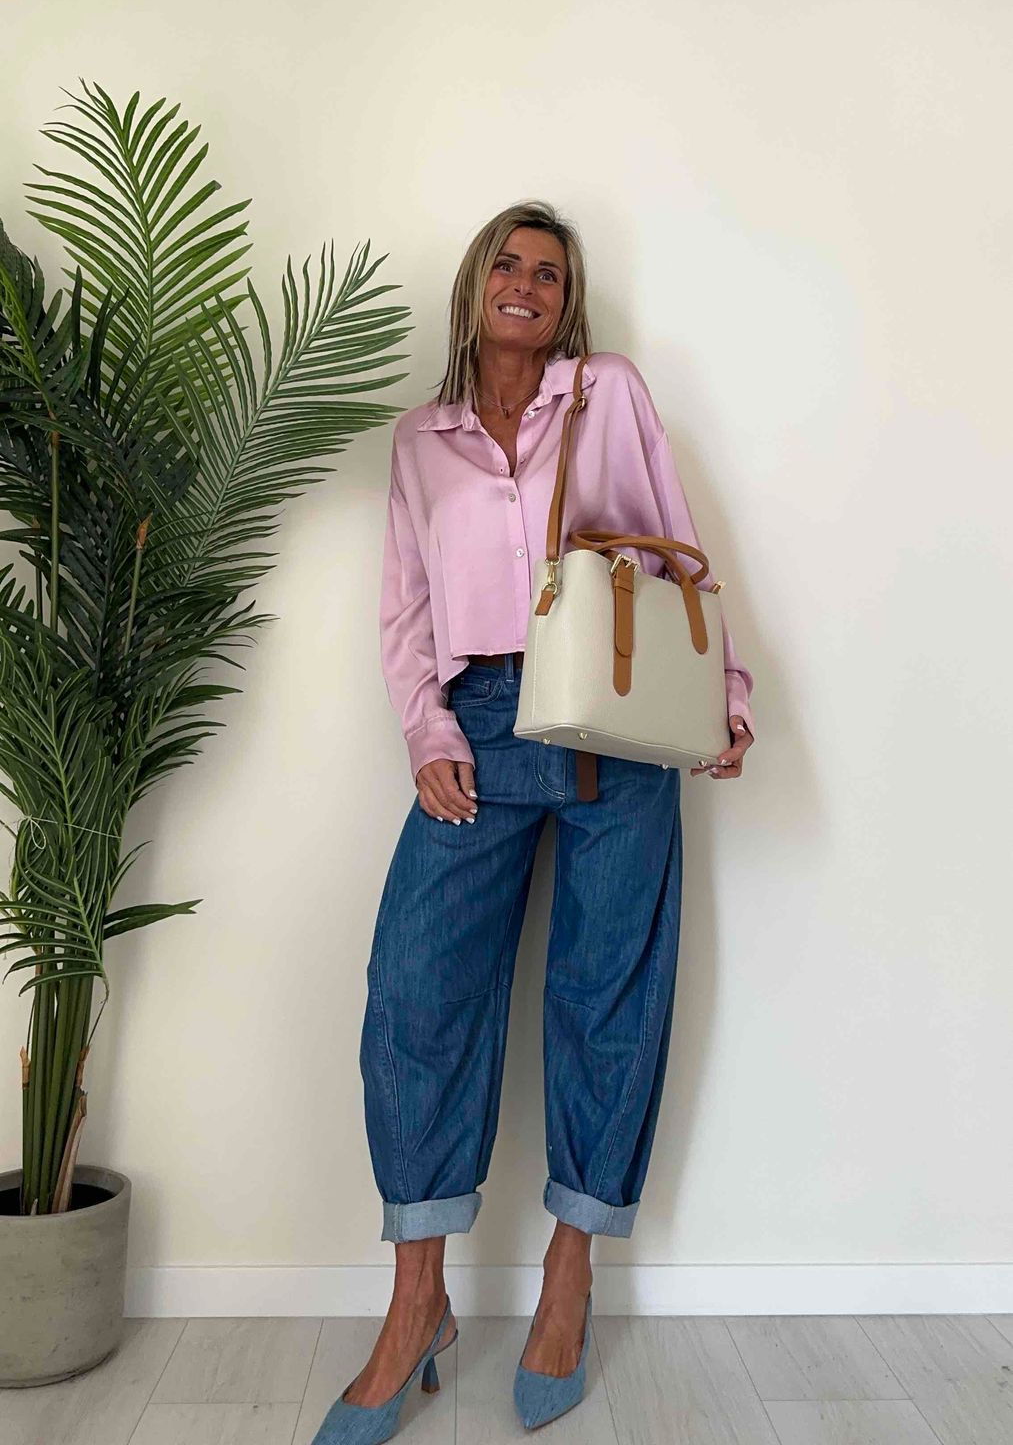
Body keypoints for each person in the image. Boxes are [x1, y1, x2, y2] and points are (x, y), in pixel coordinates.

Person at [311, 200, 755, 1442]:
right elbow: (405, 609)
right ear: (473, 288)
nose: (524, 283)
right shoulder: (419, 442)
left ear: (568, 300)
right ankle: (417, 1306)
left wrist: (721, 693)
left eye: (547, 272)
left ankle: (570, 1274)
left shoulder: (606, 393)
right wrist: (428, 733)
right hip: (483, 720)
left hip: (616, 713)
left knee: (605, 995)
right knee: (415, 992)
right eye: (505, 264)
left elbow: (674, 552)